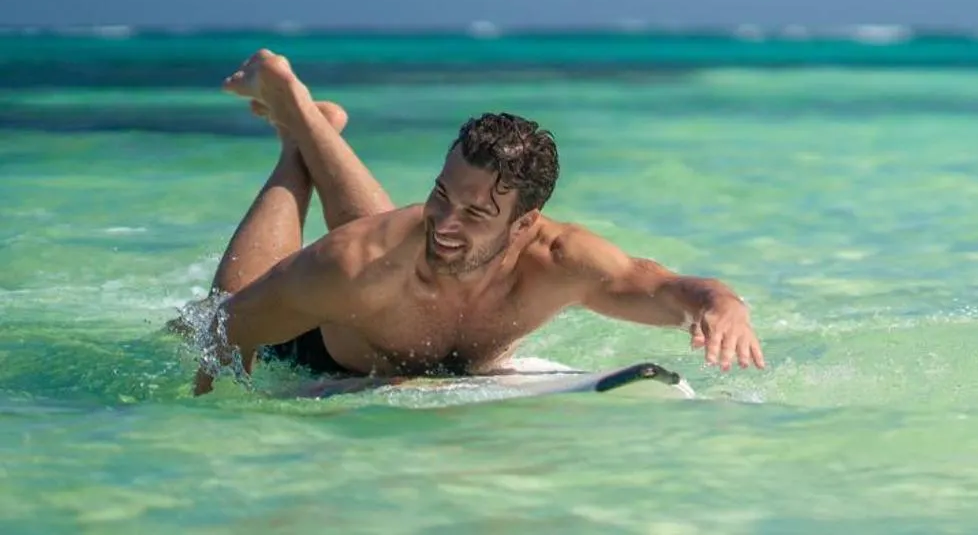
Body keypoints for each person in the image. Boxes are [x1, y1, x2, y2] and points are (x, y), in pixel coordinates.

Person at [189, 49, 765, 394]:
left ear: (524, 223)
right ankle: (295, 143)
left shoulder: (560, 262)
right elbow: (227, 329)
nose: (443, 220)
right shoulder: (357, 263)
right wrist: (232, 427)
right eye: (440, 194)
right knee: (215, 311)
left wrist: (721, 304)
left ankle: (304, 117)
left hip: (383, 286)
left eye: (475, 211)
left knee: (401, 244)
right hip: (322, 338)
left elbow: (664, 287)